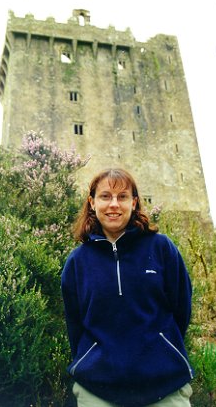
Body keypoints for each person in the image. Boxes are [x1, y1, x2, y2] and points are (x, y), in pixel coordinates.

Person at [61, 168, 193, 407]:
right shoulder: (77, 262)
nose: (114, 204)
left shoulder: (162, 248)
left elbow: (182, 310)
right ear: (92, 203)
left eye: (122, 197)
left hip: (165, 388)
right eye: (105, 196)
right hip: (97, 391)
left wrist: (161, 347)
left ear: (134, 203)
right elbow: (75, 324)